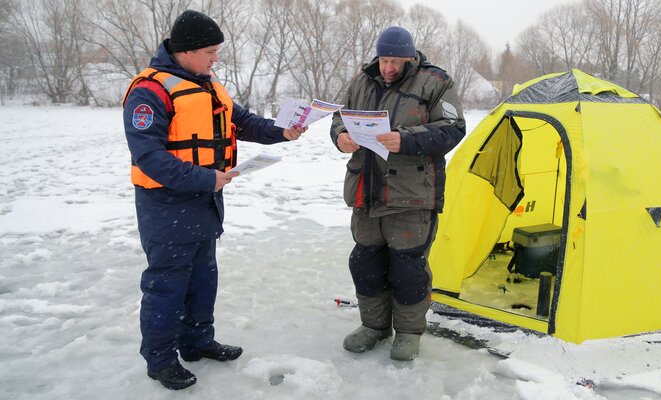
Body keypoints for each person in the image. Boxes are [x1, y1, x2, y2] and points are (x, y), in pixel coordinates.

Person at [122, 10, 305, 390]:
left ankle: (197, 342)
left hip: (205, 202)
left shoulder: (206, 83)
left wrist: (282, 132)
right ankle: (159, 360)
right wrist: (208, 178)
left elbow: (242, 121)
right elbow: (150, 158)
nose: (215, 58)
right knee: (167, 285)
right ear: (186, 51)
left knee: (204, 278)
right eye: (210, 51)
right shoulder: (149, 92)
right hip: (166, 205)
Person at [330, 26, 466, 361]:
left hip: (411, 195)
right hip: (366, 191)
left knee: (408, 268)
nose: (389, 67)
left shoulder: (436, 83)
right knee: (366, 263)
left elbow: (453, 129)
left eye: (396, 61)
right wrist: (341, 136)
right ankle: (374, 327)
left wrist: (405, 139)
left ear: (410, 58)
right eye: (385, 59)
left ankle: (408, 332)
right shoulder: (361, 81)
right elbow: (339, 117)